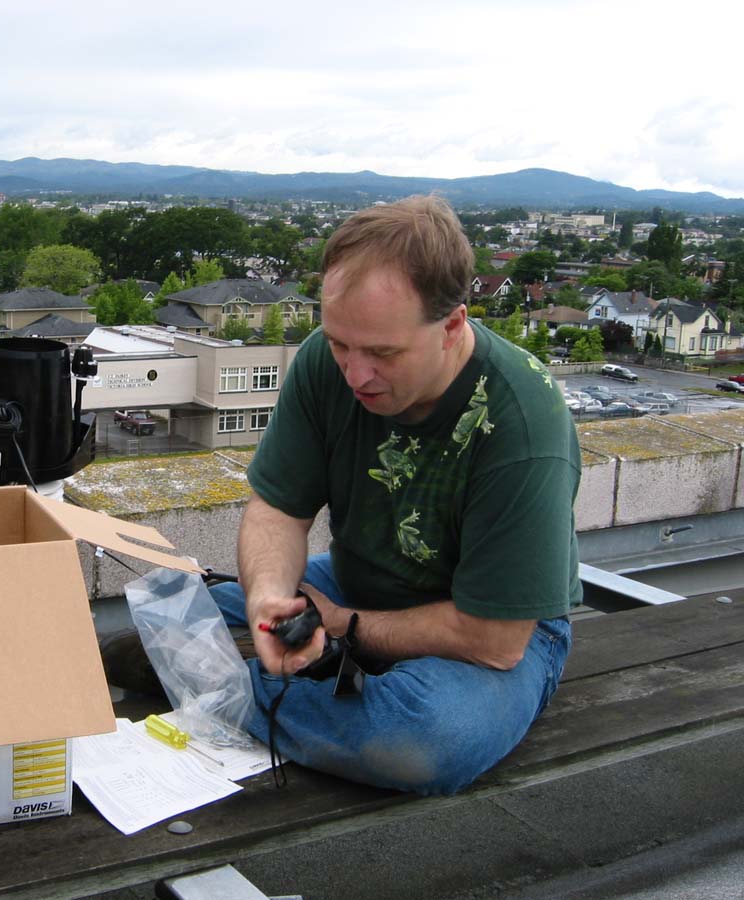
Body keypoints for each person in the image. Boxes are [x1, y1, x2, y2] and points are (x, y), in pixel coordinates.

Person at [209, 194, 580, 796]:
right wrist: (272, 600)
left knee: (426, 741)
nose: (354, 373)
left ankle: (218, 689)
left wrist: (341, 625)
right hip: (354, 584)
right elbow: (278, 509)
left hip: (494, 627)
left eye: (383, 353)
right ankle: (255, 684)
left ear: (453, 325)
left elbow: (495, 641)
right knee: (181, 612)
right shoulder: (324, 364)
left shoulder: (524, 422)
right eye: (338, 344)